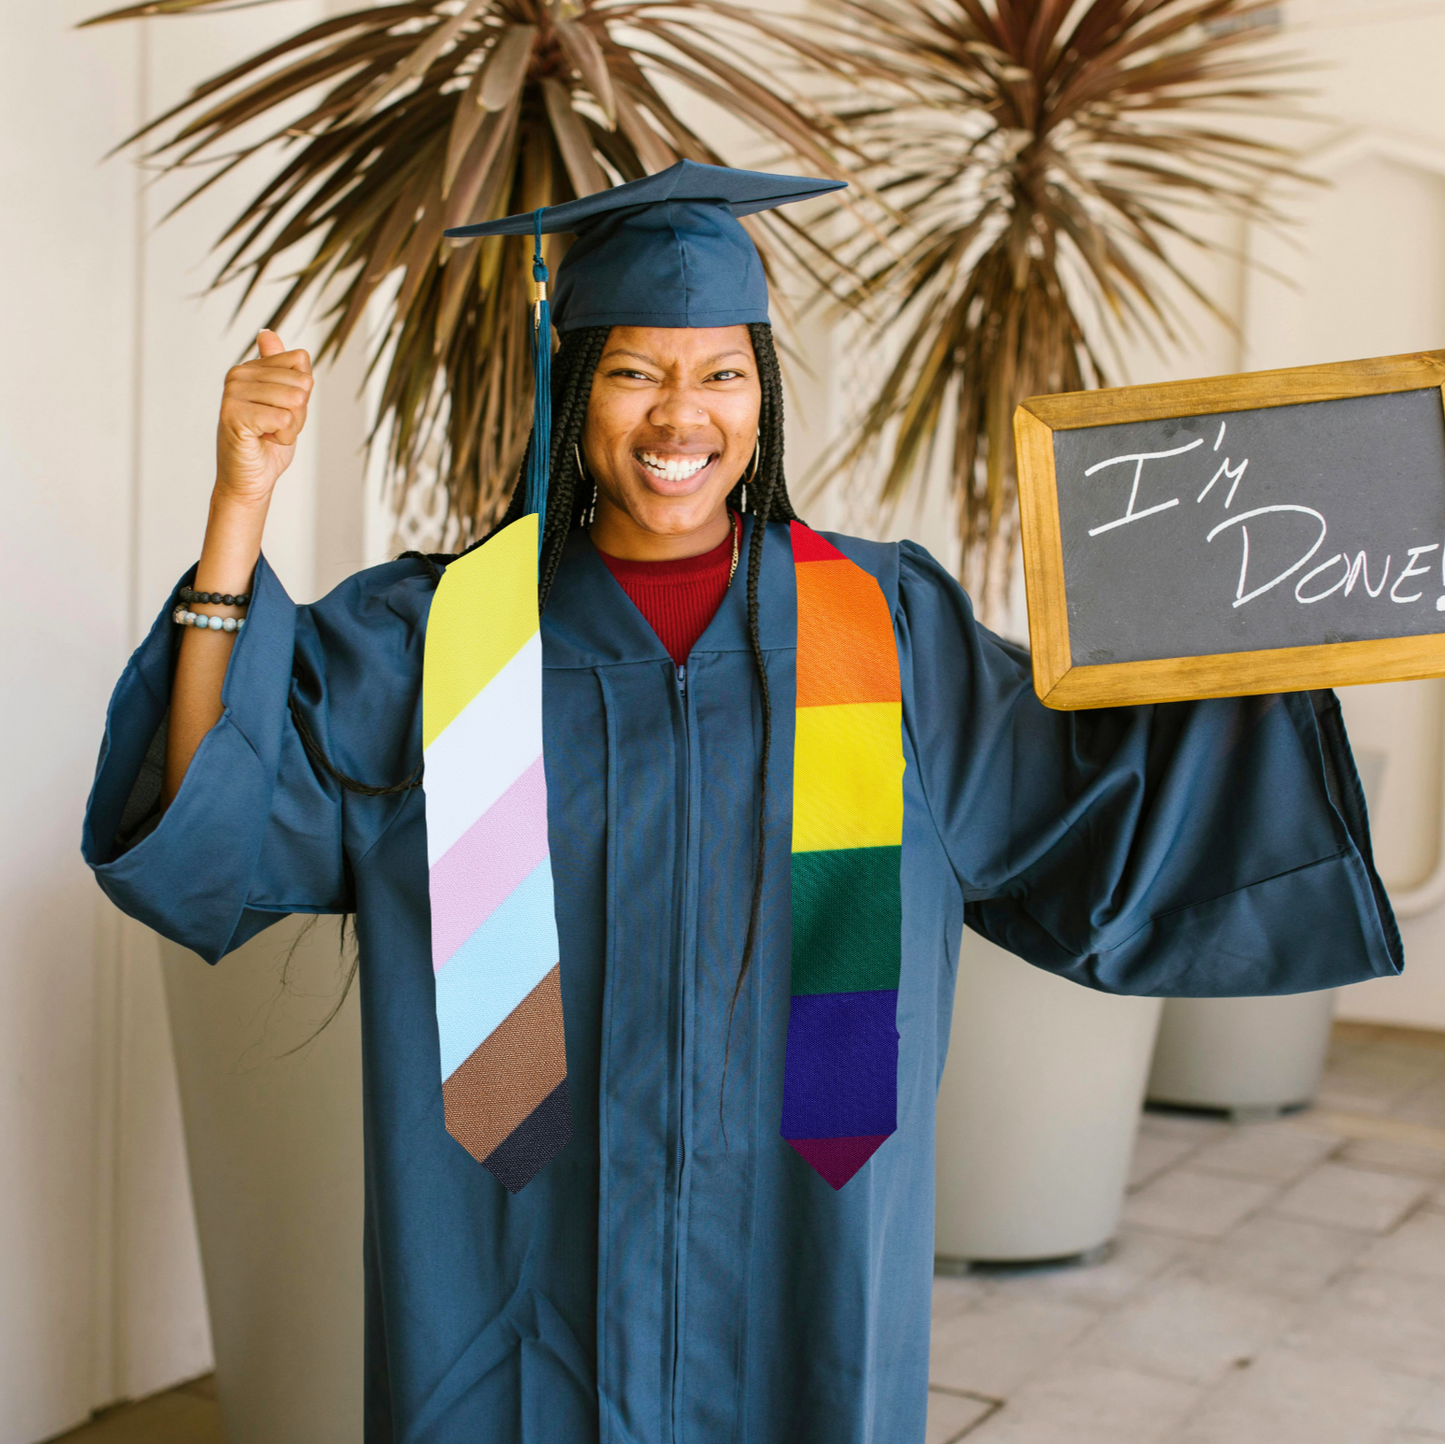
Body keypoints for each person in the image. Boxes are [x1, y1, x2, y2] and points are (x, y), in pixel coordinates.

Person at [82, 161, 1400, 1444]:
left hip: (798, 1244)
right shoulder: (453, 638)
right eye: (635, 371)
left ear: (762, 397)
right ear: (569, 387)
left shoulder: (881, 627)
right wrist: (239, 506)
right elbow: (222, 812)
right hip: (515, 1255)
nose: (681, 419)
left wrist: (1280, 591)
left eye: (721, 373)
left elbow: (1094, 806)